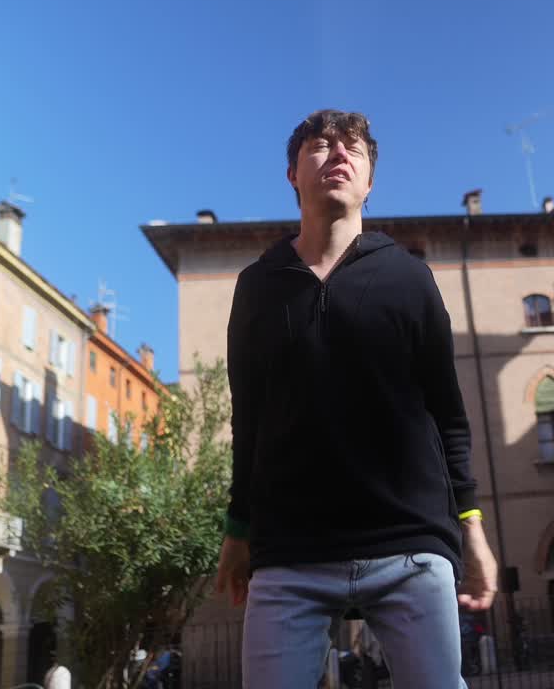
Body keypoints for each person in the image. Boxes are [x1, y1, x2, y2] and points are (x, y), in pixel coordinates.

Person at [214, 109, 499, 688]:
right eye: (320, 146)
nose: (339, 155)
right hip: (289, 552)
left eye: (355, 150)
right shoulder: (257, 286)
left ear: (369, 180)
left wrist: (472, 528)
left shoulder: (409, 277)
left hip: (410, 547)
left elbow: (449, 412)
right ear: (292, 174)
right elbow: (249, 420)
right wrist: (237, 529)